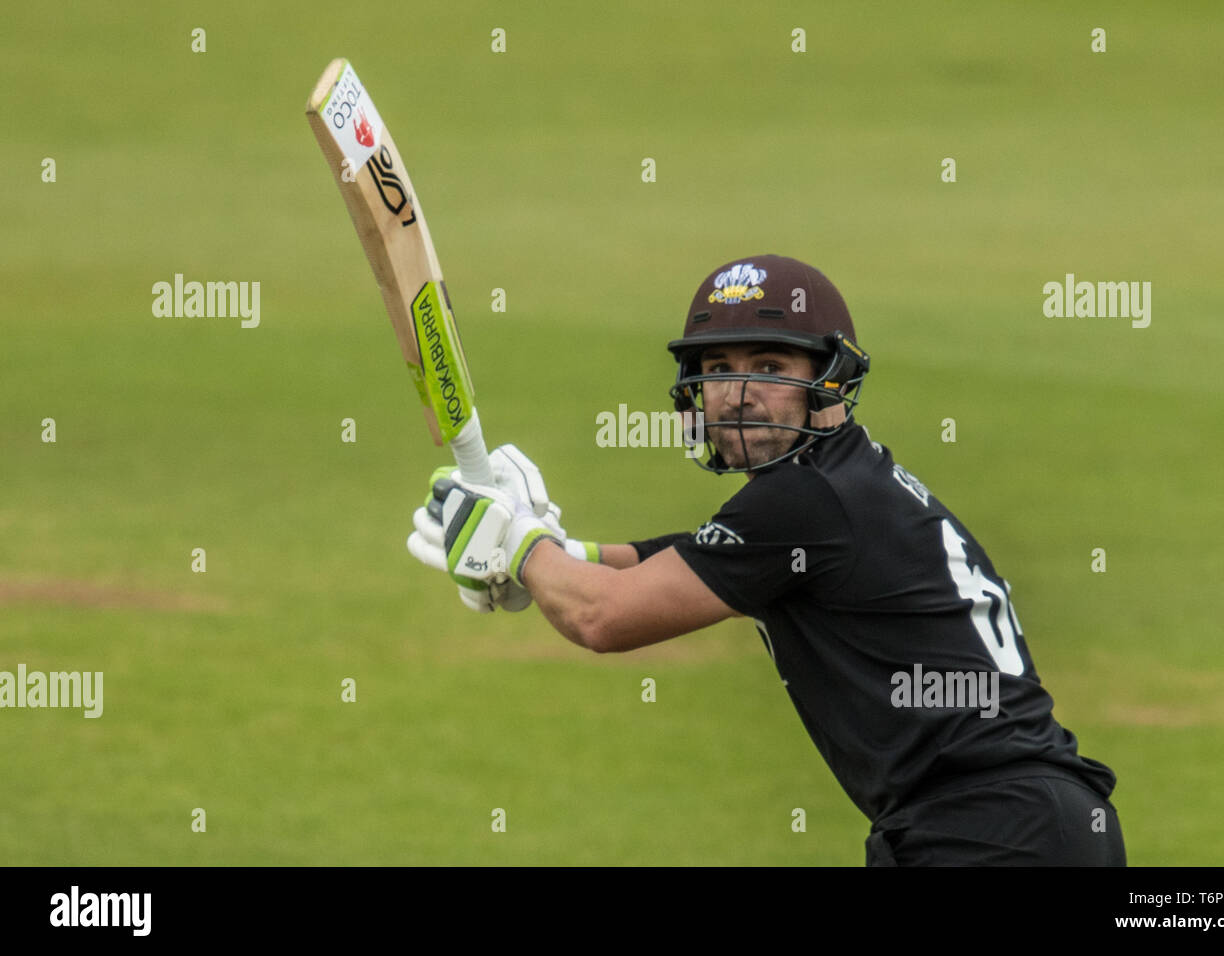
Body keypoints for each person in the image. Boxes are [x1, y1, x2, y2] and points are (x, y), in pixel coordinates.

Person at [408, 254, 1126, 866]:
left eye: (771, 365)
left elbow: (602, 617)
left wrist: (517, 545)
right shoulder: (838, 486)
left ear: (831, 381)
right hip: (1020, 826)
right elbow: (691, 559)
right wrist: (566, 553)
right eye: (718, 367)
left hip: (991, 833)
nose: (739, 391)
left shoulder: (806, 501)